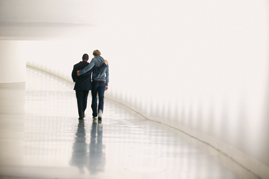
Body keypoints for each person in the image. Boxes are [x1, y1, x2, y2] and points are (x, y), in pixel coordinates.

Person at [72, 53, 107, 120]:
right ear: (88, 59)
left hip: (78, 85)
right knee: (85, 99)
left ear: (82, 58)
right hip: (87, 86)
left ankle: (81, 114)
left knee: (79, 100)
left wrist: (76, 80)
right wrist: (104, 65)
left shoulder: (76, 66)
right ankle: (83, 111)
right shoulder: (90, 66)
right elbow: (97, 71)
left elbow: (73, 75)